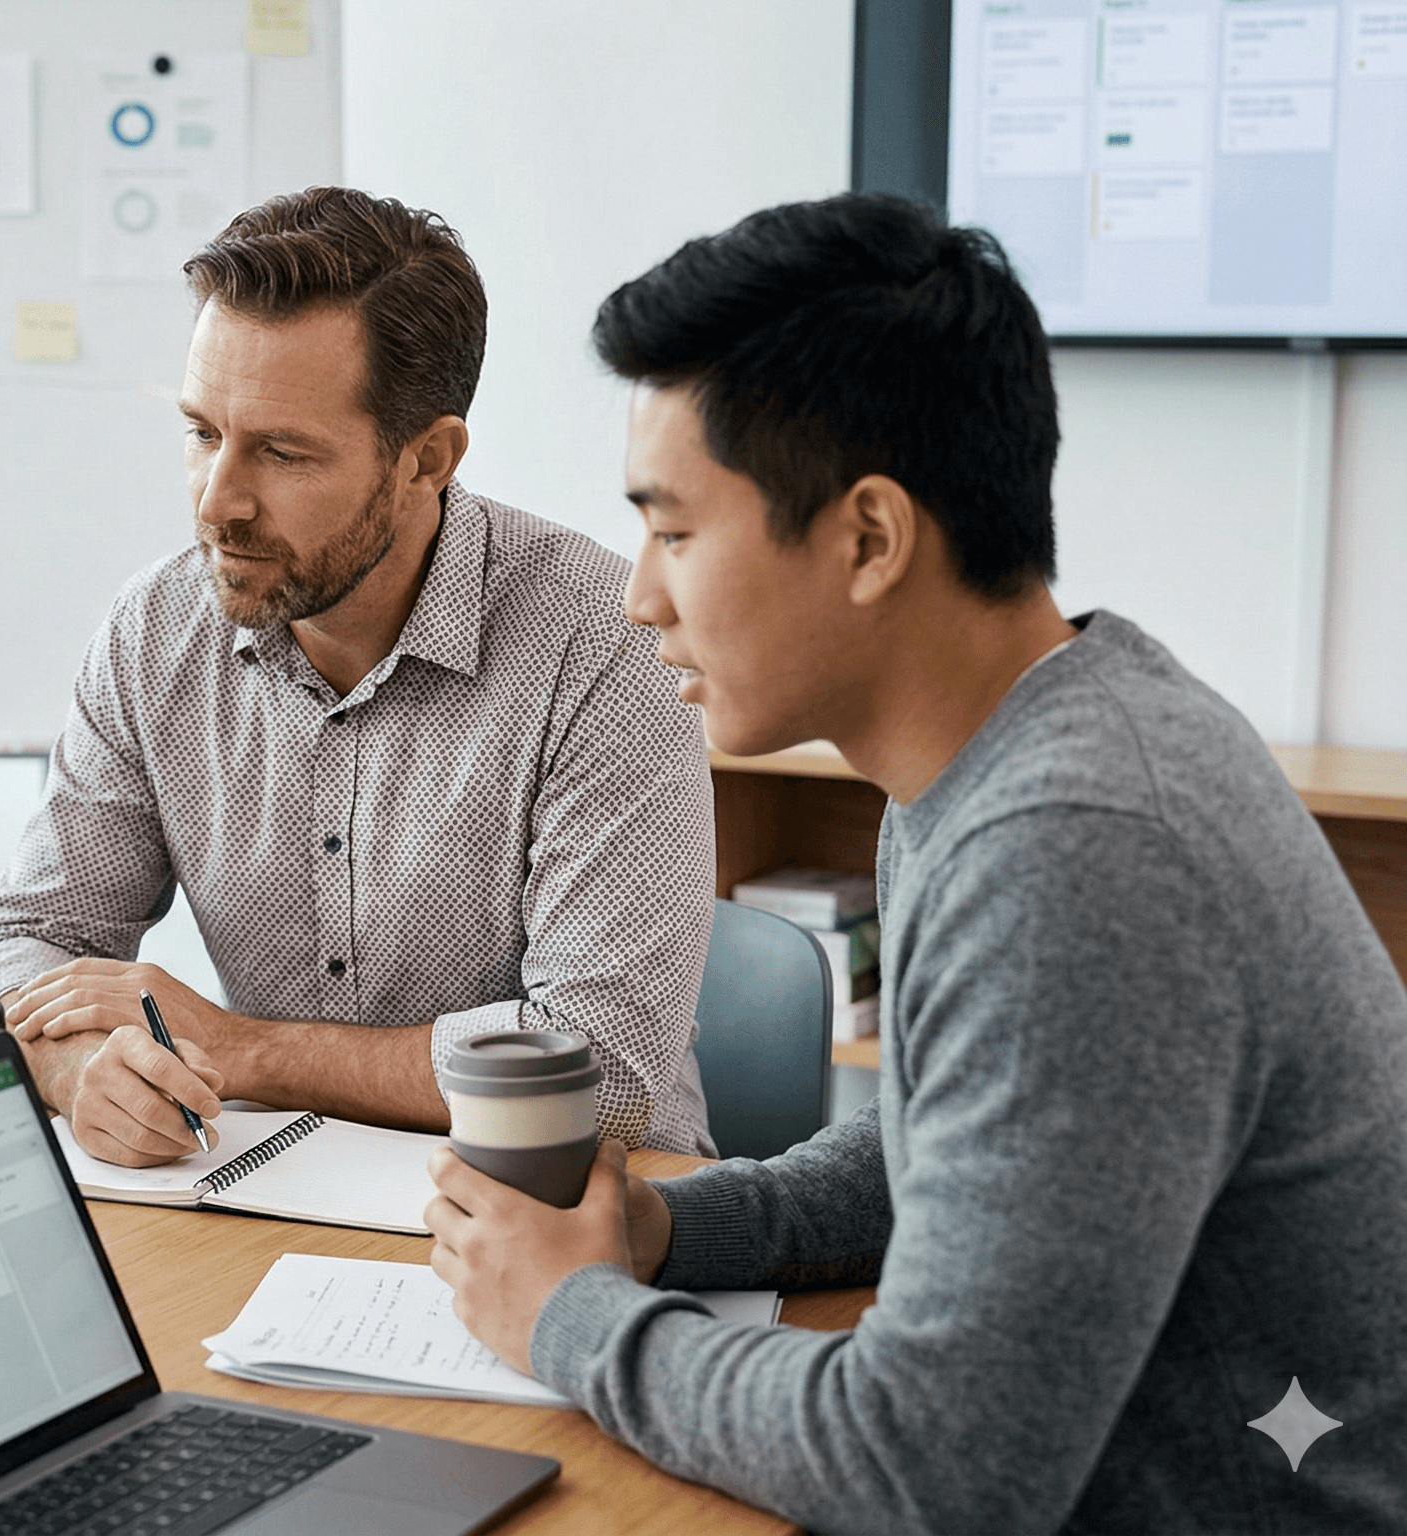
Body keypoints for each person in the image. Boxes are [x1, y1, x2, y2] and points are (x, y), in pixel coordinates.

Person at [423, 194, 1407, 1532]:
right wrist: (664, 1235)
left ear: (871, 538)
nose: (640, 597)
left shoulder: (1080, 849)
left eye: (677, 531)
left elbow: (933, 1466)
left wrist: (570, 1317)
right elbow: (935, 1150)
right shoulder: (1024, 739)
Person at [0, 187, 717, 1168]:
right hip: (269, 1188)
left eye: (281, 453)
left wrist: (242, 1050)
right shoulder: (154, 629)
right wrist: (76, 1069)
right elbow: (31, 938)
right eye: (202, 433)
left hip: (578, 1208)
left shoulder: (601, 640)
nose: (217, 501)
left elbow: (599, 1073)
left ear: (426, 460)